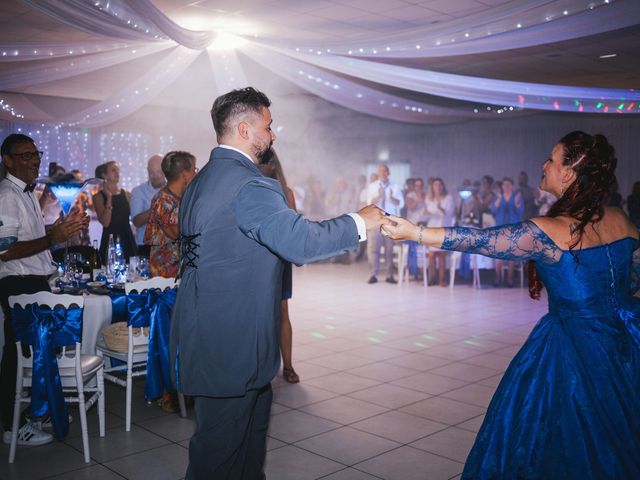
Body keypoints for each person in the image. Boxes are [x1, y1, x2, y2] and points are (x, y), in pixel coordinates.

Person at [381, 131, 640, 479]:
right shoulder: (620, 219)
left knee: (564, 441)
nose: (543, 164)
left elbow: (483, 241)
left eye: (552, 158)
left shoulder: (550, 230)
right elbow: (630, 277)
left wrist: (416, 233)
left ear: (568, 173)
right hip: (627, 338)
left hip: (574, 350)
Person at [170, 87, 389, 480]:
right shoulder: (249, 185)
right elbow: (300, 242)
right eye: (268, 127)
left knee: (246, 451)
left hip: (210, 336)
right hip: (230, 346)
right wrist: (360, 221)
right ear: (243, 128)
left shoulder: (201, 180)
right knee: (218, 458)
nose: (273, 135)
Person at [0, 133, 87, 447]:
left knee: (41, 353)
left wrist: (60, 231)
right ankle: (11, 425)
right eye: (24, 156)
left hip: (34, 283)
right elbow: (4, 251)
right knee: (19, 354)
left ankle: (43, 409)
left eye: (35, 154)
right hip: (19, 285)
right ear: (7, 160)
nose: (33, 160)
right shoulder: (8, 195)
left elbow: (29, 241)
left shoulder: (27, 192)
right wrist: (53, 238)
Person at [258, 148, 299, 384]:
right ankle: (262, 365)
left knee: (282, 311)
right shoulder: (251, 189)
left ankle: (289, 366)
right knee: (260, 313)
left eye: (261, 162)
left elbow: (293, 227)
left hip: (278, 259)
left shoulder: (285, 192)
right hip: (256, 260)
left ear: (272, 165)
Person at [145, 151, 197, 279]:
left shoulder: (184, 197)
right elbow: (174, 232)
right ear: (184, 174)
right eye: (194, 169)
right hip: (165, 276)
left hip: (182, 270)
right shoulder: (162, 200)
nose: (196, 173)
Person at [366, 163, 403, 284]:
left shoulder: (395, 186)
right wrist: (378, 195)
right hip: (376, 221)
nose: (382, 173)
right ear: (378, 173)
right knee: (374, 250)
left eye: (385, 171)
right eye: (380, 171)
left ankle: (389, 275)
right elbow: (369, 203)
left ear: (388, 173)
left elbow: (401, 203)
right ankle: (374, 275)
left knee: (389, 250)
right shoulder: (372, 186)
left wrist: (391, 198)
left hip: (389, 222)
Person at [92, 161, 136, 263]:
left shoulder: (126, 195)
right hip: (109, 241)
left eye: (118, 170)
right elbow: (106, 223)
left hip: (127, 239)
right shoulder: (98, 197)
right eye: (113, 170)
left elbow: (134, 219)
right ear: (104, 175)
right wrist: (109, 198)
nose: (117, 173)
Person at [491, 177, 524, 287]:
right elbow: (493, 210)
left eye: (509, 184)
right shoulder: (498, 197)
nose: (506, 186)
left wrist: (517, 203)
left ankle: (510, 280)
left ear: (512, 186)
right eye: (504, 184)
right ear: (502, 186)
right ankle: (497, 279)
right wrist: (499, 199)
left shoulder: (517, 196)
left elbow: (520, 211)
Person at [130, 154, 165, 256]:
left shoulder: (174, 189)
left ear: (165, 170)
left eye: (159, 172)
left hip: (170, 245)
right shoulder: (138, 191)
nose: (155, 176)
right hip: (146, 247)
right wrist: (159, 206)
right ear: (147, 171)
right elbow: (137, 222)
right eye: (151, 172)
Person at [424, 177, 455, 286]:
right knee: (431, 255)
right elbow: (428, 213)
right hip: (432, 228)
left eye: (439, 185)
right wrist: (426, 212)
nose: (437, 187)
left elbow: (450, 213)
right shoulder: (429, 198)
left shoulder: (448, 198)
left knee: (442, 254)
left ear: (442, 186)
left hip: (443, 228)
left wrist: (440, 208)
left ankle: (442, 279)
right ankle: (431, 279)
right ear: (432, 187)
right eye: (435, 185)